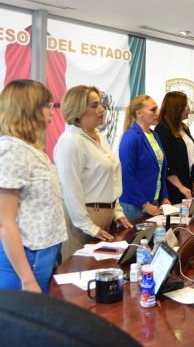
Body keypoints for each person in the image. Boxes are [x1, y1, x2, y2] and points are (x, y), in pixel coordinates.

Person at [0, 79, 67, 293]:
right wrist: (27, 280)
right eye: (47, 105)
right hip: (26, 259)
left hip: (42, 255)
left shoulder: (30, 148)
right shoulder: (12, 150)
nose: (52, 110)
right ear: (28, 109)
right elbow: (5, 222)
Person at [54, 86, 132, 260]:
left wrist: (117, 212)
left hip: (105, 217)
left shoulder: (99, 137)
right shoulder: (70, 141)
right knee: (79, 271)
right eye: (94, 105)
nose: (102, 109)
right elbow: (70, 190)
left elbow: (109, 180)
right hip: (82, 222)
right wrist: (88, 226)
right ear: (77, 111)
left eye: (100, 104)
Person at [119, 95, 170, 222]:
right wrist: (145, 204)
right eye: (153, 110)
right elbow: (126, 175)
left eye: (157, 108)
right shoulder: (131, 137)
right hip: (135, 204)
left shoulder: (154, 135)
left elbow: (160, 170)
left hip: (153, 201)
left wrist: (164, 196)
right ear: (139, 113)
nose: (157, 113)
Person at [154, 91, 194, 204]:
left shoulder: (184, 128)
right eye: (185, 105)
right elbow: (167, 164)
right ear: (176, 108)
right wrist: (181, 187)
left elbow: (192, 157)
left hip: (187, 182)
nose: (188, 108)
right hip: (173, 187)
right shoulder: (162, 129)